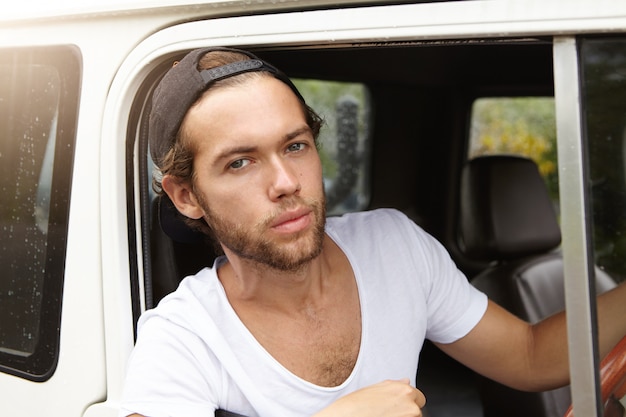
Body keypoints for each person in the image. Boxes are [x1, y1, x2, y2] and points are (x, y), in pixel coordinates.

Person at [119, 47, 626, 417]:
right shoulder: (182, 337)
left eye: (295, 146)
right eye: (240, 162)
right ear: (186, 195)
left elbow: (530, 356)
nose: (286, 183)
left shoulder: (395, 245)